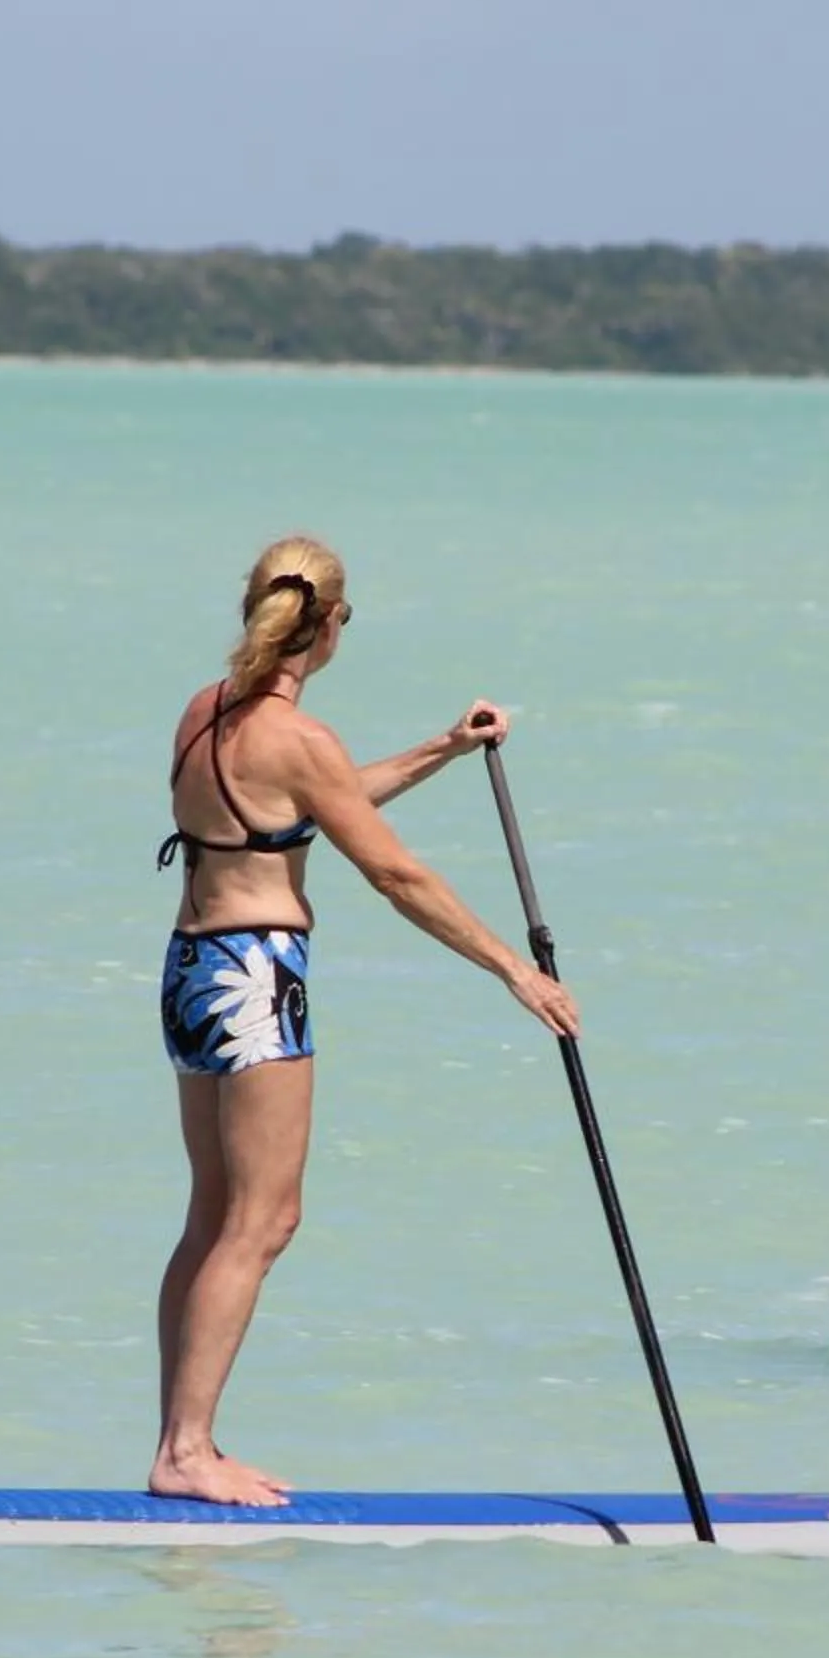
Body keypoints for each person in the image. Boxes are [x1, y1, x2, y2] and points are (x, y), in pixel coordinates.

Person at [149, 535, 580, 1506]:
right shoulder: (301, 739)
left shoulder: (203, 712)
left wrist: (443, 747)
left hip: (191, 971)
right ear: (331, 623)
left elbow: (311, 804)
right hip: (257, 977)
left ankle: (179, 1441)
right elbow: (394, 872)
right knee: (266, 1219)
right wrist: (515, 970)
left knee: (213, 1215)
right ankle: (187, 1450)